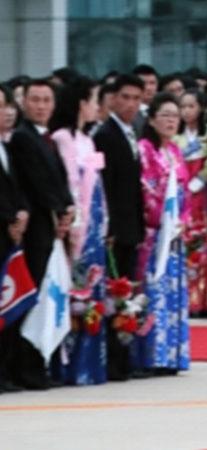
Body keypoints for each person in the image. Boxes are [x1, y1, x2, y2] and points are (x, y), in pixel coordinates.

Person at [8, 79, 75, 389]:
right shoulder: (22, 138)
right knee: (33, 295)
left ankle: (38, 364)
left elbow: (59, 180)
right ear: (24, 103)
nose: (41, 106)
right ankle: (24, 367)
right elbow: (38, 183)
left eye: (47, 100)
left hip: (50, 228)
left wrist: (68, 207)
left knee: (48, 293)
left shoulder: (47, 138)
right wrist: (59, 209)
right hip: (35, 228)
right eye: (35, 100)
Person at [50, 76, 110, 384]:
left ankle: (90, 364)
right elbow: (70, 184)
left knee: (93, 292)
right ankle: (68, 363)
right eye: (94, 100)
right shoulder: (62, 138)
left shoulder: (88, 139)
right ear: (80, 103)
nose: (97, 106)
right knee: (74, 291)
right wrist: (75, 227)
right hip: (77, 224)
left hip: (95, 223)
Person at [132, 92, 190, 375]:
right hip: (154, 235)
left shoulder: (175, 151)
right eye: (165, 115)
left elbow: (185, 193)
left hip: (174, 234)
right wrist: (163, 219)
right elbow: (147, 189)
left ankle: (171, 356)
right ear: (152, 119)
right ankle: (151, 355)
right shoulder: (145, 149)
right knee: (153, 292)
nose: (171, 121)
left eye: (175, 116)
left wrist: (183, 220)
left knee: (172, 293)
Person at [93, 74, 146, 380]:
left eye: (136, 99)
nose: (130, 104)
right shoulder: (106, 135)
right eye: (125, 97)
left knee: (125, 293)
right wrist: (108, 228)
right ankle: (114, 360)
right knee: (115, 293)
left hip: (130, 227)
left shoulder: (131, 132)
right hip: (115, 229)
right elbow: (106, 187)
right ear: (113, 99)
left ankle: (124, 356)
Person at [173, 89, 207, 316]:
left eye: (191, 106)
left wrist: (201, 179)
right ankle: (185, 298)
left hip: (204, 193)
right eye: (183, 107)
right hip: (181, 192)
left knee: (205, 242)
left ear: (201, 108)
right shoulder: (175, 137)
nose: (186, 111)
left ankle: (205, 299)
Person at [0, 85, 29, 393]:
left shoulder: (5, 147)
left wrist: (22, 213)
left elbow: (16, 188)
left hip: (9, 237)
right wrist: (9, 217)